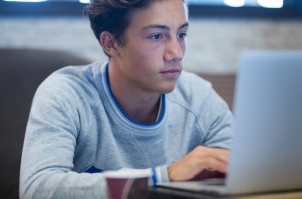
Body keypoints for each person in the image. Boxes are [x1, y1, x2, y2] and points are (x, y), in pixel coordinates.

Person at [19, 0, 233, 198]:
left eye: (182, 34)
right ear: (110, 43)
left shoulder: (199, 98)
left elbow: (246, 172)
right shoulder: (66, 94)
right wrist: (162, 177)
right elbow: (36, 189)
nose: (176, 53)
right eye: (156, 36)